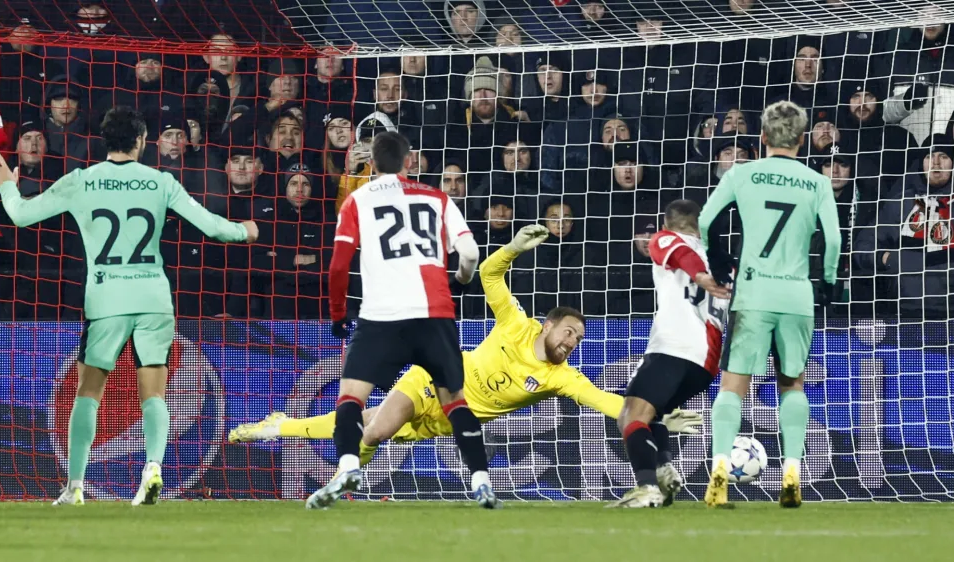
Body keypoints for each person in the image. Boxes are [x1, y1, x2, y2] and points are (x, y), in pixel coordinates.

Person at [230, 225, 705, 489]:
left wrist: (648, 418)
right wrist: (514, 248)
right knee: (376, 429)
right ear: (548, 324)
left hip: (445, 421)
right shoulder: (515, 323)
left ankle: (280, 425)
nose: (572, 343)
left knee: (361, 423)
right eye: (569, 332)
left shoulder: (563, 377)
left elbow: (605, 400)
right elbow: (491, 277)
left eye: (578, 340)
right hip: (432, 383)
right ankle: (341, 482)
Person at [0, 106, 259, 507]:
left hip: (106, 299)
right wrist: (244, 231)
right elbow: (215, 227)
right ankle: (152, 467)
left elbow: (22, 215)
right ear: (142, 141)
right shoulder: (161, 181)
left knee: (88, 393)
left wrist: (8, 184)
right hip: (153, 298)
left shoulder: (81, 180)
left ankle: (75, 486)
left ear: (104, 141)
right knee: (154, 394)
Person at [307, 131, 495, 510]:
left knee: (350, 397)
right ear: (409, 162)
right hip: (434, 314)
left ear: (371, 164)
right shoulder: (438, 198)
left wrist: (338, 314)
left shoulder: (357, 200)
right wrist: (459, 279)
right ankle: (481, 481)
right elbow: (471, 252)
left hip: (381, 318)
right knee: (455, 402)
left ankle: (347, 467)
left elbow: (339, 264)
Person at [698, 100, 841, 509]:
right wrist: (827, 281)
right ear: (801, 140)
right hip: (796, 294)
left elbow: (706, 220)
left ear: (762, 139)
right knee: (791, 383)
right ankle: (792, 473)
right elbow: (832, 240)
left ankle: (719, 473)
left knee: (733, 386)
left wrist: (717, 258)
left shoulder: (743, 172)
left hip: (754, 292)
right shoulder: (816, 181)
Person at [609, 200, 730, 509]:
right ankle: (663, 468)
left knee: (631, 416)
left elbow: (680, 254)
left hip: (673, 347)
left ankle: (648, 487)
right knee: (656, 416)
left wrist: (701, 276)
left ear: (668, 222)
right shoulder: (725, 263)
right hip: (707, 362)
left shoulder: (665, 238)